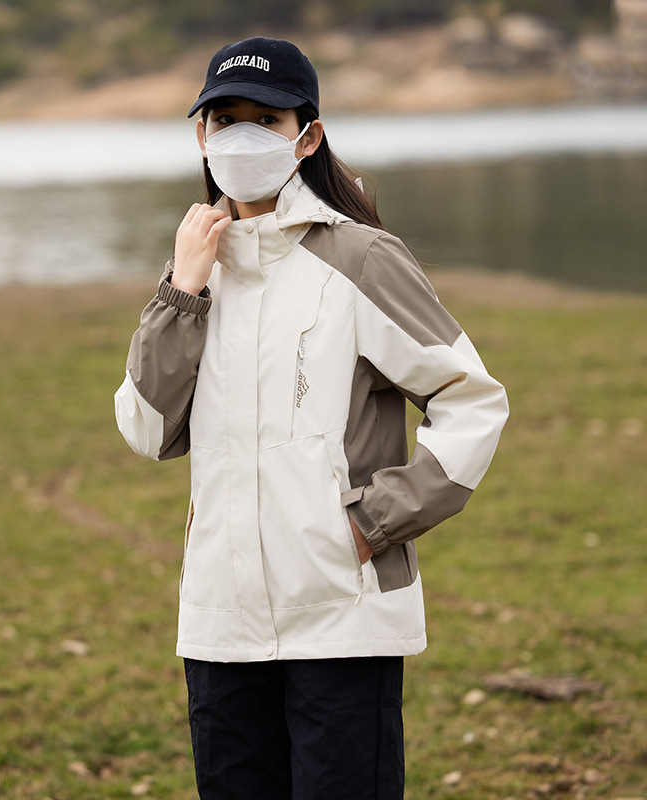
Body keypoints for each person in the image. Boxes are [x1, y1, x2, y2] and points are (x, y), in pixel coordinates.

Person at [114, 36, 508, 800]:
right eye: (224, 118)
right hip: (221, 626)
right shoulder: (191, 277)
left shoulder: (361, 258)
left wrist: (373, 522)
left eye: (266, 119)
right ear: (201, 136)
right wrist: (182, 295)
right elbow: (147, 431)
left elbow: (471, 399)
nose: (242, 136)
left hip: (343, 619)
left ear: (307, 136)